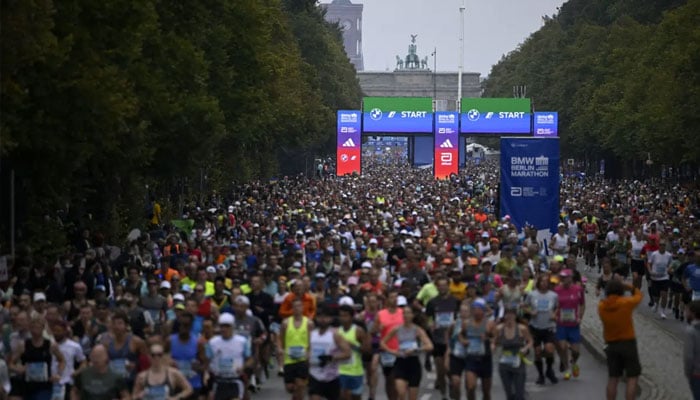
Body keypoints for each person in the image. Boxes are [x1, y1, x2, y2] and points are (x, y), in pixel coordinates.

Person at [598, 279, 642, 400]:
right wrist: (631, 287)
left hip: (611, 344)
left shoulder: (602, 306)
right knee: (632, 377)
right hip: (628, 343)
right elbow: (639, 296)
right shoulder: (625, 303)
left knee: (613, 378)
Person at [380, 305, 433, 400]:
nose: (406, 315)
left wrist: (417, 349)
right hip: (400, 362)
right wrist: (392, 351)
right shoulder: (397, 329)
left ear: (412, 315)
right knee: (401, 393)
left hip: (413, 364)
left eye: (408, 313)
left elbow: (429, 346)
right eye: (404, 313)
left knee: (412, 397)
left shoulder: (418, 330)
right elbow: (383, 343)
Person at [9, 315, 66, 400]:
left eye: (38, 327)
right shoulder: (23, 345)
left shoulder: (51, 345)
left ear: (43, 328)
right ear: (29, 328)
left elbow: (62, 360)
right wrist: (18, 369)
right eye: (33, 327)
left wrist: (58, 374)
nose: (35, 330)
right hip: (26, 383)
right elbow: (10, 364)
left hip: (44, 384)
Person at [425, 276, 459, 400]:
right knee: (440, 371)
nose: (443, 287)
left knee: (449, 369)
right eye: (440, 285)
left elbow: (461, 317)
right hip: (437, 339)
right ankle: (444, 395)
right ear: (437, 287)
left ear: (448, 286)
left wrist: (457, 323)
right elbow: (427, 319)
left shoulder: (455, 301)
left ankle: (452, 386)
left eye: (445, 285)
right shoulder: (432, 302)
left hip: (452, 340)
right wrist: (429, 325)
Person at [208, 313, 255, 400]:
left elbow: (250, 359)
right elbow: (207, 360)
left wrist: (243, 367)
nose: (224, 329)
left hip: (235, 380)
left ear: (233, 327)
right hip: (218, 381)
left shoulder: (242, 341)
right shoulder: (213, 342)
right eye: (222, 326)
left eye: (227, 326)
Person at [308, 305, 351, 400]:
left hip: (332, 376)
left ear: (331, 319)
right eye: (320, 317)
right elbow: (307, 352)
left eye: (326, 317)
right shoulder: (312, 334)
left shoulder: (335, 334)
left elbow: (347, 353)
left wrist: (331, 358)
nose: (322, 319)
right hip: (315, 375)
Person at [491, 306, 533, 400]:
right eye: (507, 314)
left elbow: (530, 341)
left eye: (512, 314)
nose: (509, 316)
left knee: (519, 394)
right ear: (504, 316)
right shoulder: (499, 329)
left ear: (515, 315)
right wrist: (492, 348)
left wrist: (525, 348)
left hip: (518, 362)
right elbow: (493, 342)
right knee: (509, 394)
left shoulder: (522, 328)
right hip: (504, 363)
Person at [524, 275, 559, 385]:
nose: (544, 283)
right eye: (542, 281)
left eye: (546, 282)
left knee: (549, 350)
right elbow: (524, 306)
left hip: (549, 326)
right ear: (538, 283)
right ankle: (541, 375)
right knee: (538, 352)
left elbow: (558, 307)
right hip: (535, 326)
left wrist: (555, 314)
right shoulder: (532, 294)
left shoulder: (553, 295)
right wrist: (530, 312)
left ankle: (549, 370)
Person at [165, 312, 207, 399]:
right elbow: (162, 361)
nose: (183, 327)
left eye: (186, 325)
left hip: (193, 384)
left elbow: (205, 364)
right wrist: (169, 363)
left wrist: (198, 368)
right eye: (181, 325)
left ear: (191, 326)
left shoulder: (198, 343)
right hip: (175, 384)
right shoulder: (170, 341)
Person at [553, 268, 585, 380]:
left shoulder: (578, 289)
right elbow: (553, 306)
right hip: (561, 323)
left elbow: (582, 304)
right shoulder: (557, 290)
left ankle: (573, 362)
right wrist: (555, 315)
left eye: (565, 277)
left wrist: (580, 317)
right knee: (562, 347)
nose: (563, 279)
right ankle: (566, 369)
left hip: (574, 324)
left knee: (576, 351)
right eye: (561, 277)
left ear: (570, 278)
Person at [461, 298, 496, 400]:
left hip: (485, 358)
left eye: (479, 309)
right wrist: (463, 341)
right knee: (470, 387)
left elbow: (495, 338)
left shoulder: (489, 324)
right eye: (475, 309)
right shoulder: (466, 323)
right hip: (471, 358)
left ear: (483, 311)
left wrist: (490, 342)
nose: (477, 312)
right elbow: (460, 335)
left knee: (486, 392)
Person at [279, 298, 313, 400]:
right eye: (294, 307)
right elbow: (281, 339)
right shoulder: (285, 323)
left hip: (302, 359)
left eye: (299, 306)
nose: (297, 309)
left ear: (303, 308)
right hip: (289, 359)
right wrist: (281, 350)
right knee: (289, 388)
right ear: (292, 309)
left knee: (300, 385)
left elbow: (312, 340)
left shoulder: (309, 323)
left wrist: (309, 353)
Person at [375, 290, 404, 400]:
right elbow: (373, 331)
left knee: (399, 381)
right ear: (387, 300)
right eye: (392, 297)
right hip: (387, 351)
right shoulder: (381, 314)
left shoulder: (402, 313)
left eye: (396, 297)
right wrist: (379, 329)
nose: (394, 299)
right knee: (390, 380)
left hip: (401, 350)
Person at [337, 305, 369, 400]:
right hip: (340, 370)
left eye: (345, 316)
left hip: (355, 371)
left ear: (351, 317)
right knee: (342, 396)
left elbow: (367, 351)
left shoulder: (358, 331)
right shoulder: (337, 332)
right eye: (341, 316)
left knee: (356, 397)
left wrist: (353, 345)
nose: (343, 318)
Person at [445, 301, 470, 400]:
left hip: (469, 356)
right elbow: (448, 334)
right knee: (456, 382)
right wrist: (448, 349)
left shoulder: (474, 324)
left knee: (469, 385)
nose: (463, 313)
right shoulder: (455, 324)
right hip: (456, 355)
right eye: (462, 311)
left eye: (466, 311)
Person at [684, 300, 700, 399]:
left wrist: (688, 372)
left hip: (697, 374)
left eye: (687, 311)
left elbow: (688, 356)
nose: (685, 313)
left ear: (693, 313)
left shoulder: (691, 331)